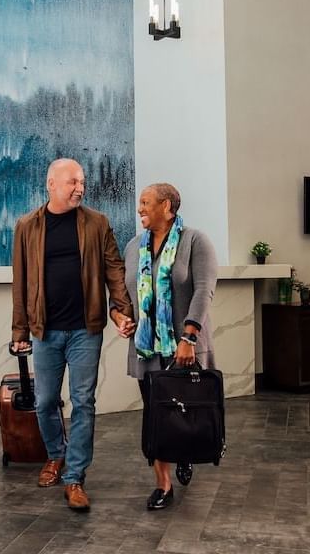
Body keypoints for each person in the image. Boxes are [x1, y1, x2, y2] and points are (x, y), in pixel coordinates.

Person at [11, 158, 135, 512]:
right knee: (45, 401)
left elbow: (114, 268)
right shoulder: (27, 226)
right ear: (51, 184)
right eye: (72, 182)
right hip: (44, 331)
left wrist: (121, 308)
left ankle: (75, 477)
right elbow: (20, 280)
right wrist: (19, 329)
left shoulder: (97, 223)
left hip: (85, 329)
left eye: (81, 182)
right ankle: (56, 455)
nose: (79, 187)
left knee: (83, 402)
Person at [123, 183, 218, 510]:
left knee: (185, 413)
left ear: (168, 206)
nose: (140, 209)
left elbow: (204, 289)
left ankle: (185, 453)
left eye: (146, 203)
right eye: (140, 203)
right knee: (155, 415)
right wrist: (121, 316)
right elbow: (126, 294)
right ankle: (163, 485)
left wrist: (189, 336)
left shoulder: (195, 241)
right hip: (147, 348)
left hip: (184, 347)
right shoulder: (133, 246)